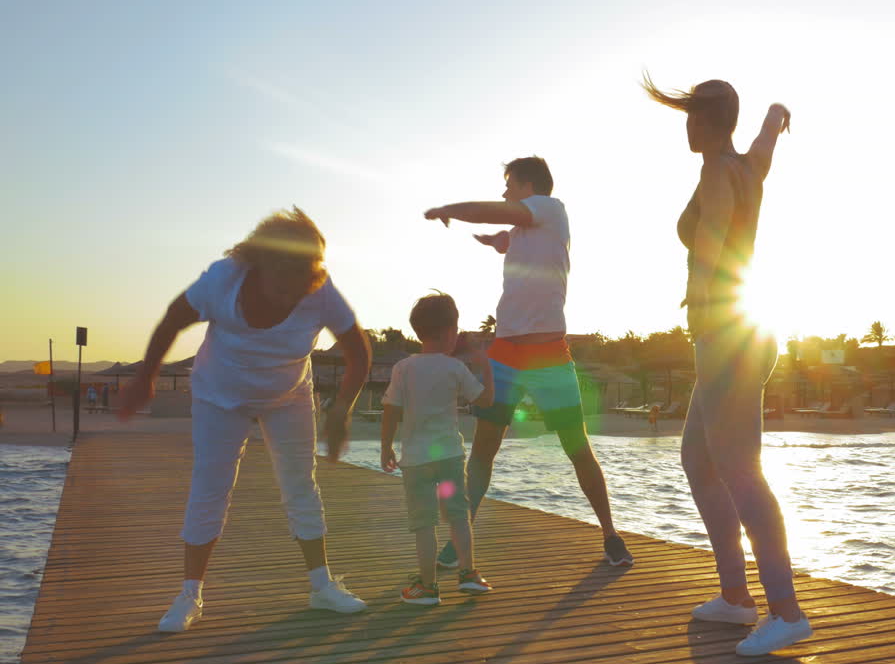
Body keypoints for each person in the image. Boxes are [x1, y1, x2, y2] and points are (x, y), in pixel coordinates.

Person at [118, 206, 372, 632]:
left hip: (288, 395)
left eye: (302, 283)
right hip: (219, 395)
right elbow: (172, 321)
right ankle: (189, 595)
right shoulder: (223, 279)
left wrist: (341, 411)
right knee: (210, 487)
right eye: (283, 283)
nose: (291, 294)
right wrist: (146, 377)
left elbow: (358, 352)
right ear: (260, 263)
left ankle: (322, 587)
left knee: (300, 483)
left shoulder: (321, 290)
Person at [644, 75, 812, 655]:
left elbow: (711, 242)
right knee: (699, 460)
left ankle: (786, 611)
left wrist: (697, 301)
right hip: (742, 335)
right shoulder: (747, 167)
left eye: (694, 118)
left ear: (713, 123)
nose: (688, 128)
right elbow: (765, 144)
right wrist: (775, 114)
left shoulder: (718, 172)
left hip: (726, 337)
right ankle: (737, 597)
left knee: (741, 471)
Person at [423, 156, 634, 567]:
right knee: (483, 452)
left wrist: (450, 210)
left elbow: (497, 211)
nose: (505, 192)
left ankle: (611, 536)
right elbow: (507, 235)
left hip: (549, 355)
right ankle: (460, 540)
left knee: (577, 448)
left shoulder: (550, 209)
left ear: (529, 186)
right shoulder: (525, 229)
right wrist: (495, 241)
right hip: (505, 354)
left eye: (510, 185)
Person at [381, 292, 496, 606]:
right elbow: (485, 400)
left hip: (417, 462)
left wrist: (386, 447)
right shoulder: (454, 368)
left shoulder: (403, 368)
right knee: (458, 516)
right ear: (449, 332)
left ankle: (429, 587)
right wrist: (486, 367)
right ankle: (469, 574)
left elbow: (391, 409)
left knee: (425, 524)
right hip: (448, 459)